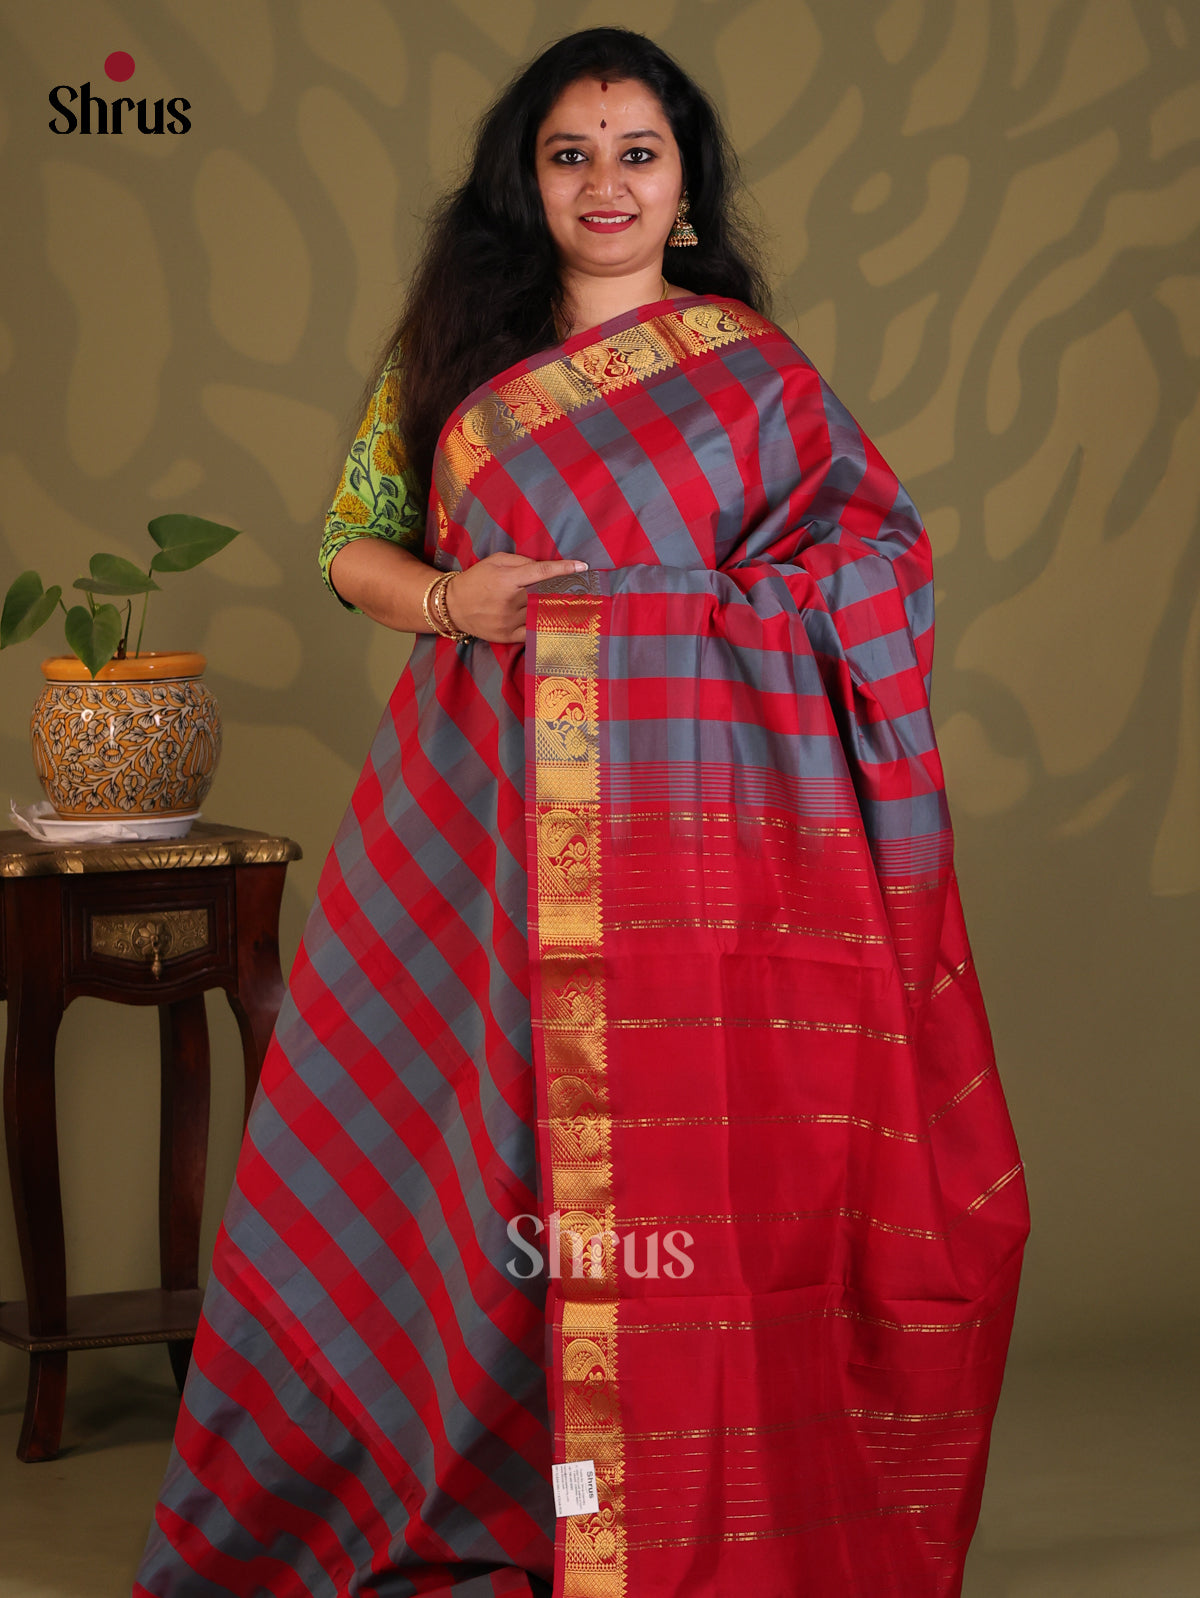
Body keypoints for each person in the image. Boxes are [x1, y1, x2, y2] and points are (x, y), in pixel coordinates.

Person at [136, 27, 1027, 1598]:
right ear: (527, 182)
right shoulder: (453, 360)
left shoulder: (752, 372)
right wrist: (455, 599)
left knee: (672, 1183)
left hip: (692, 842)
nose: (605, 184)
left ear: (685, 187)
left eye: (637, 154)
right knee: (462, 1167)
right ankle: (500, 1495)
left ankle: (664, 1505)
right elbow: (351, 545)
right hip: (477, 826)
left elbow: (876, 567)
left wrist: (660, 608)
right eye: (571, 155)